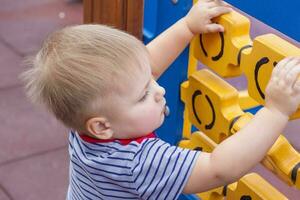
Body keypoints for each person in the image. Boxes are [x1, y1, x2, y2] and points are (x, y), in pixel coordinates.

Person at [21, 0, 300, 199]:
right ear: (102, 127)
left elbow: (148, 65)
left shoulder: (84, 119)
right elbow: (219, 169)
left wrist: (187, 27)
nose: (160, 90)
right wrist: (275, 110)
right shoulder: (139, 164)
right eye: (144, 94)